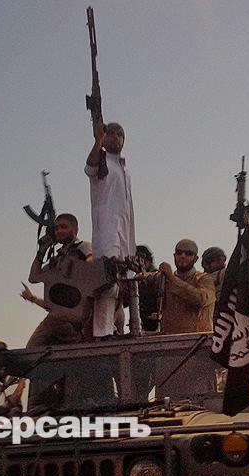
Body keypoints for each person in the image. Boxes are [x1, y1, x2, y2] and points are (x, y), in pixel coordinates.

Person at [84, 121, 136, 340]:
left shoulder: (123, 168)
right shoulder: (101, 160)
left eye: (120, 134)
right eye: (111, 133)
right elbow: (90, 167)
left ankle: (116, 329)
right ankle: (102, 332)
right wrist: (97, 140)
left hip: (125, 232)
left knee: (123, 283)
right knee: (107, 283)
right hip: (107, 231)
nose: (116, 137)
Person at [23, 213, 92, 347]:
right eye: (56, 228)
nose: (59, 231)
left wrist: (73, 268)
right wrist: (42, 250)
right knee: (32, 348)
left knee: (54, 318)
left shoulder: (83, 246)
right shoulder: (57, 260)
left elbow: (91, 264)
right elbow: (33, 277)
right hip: (60, 315)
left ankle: (80, 340)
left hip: (80, 310)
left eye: (64, 227)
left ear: (75, 230)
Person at [153, 239, 216, 334]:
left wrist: (172, 279)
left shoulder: (204, 279)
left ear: (196, 258)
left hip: (198, 340)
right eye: (179, 253)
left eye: (188, 253)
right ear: (174, 256)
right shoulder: (165, 279)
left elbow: (201, 299)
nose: (183, 256)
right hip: (169, 339)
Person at [135, 245, 160, 332]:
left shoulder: (157, 277)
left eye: (144, 261)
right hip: (142, 325)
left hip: (158, 324)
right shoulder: (135, 280)